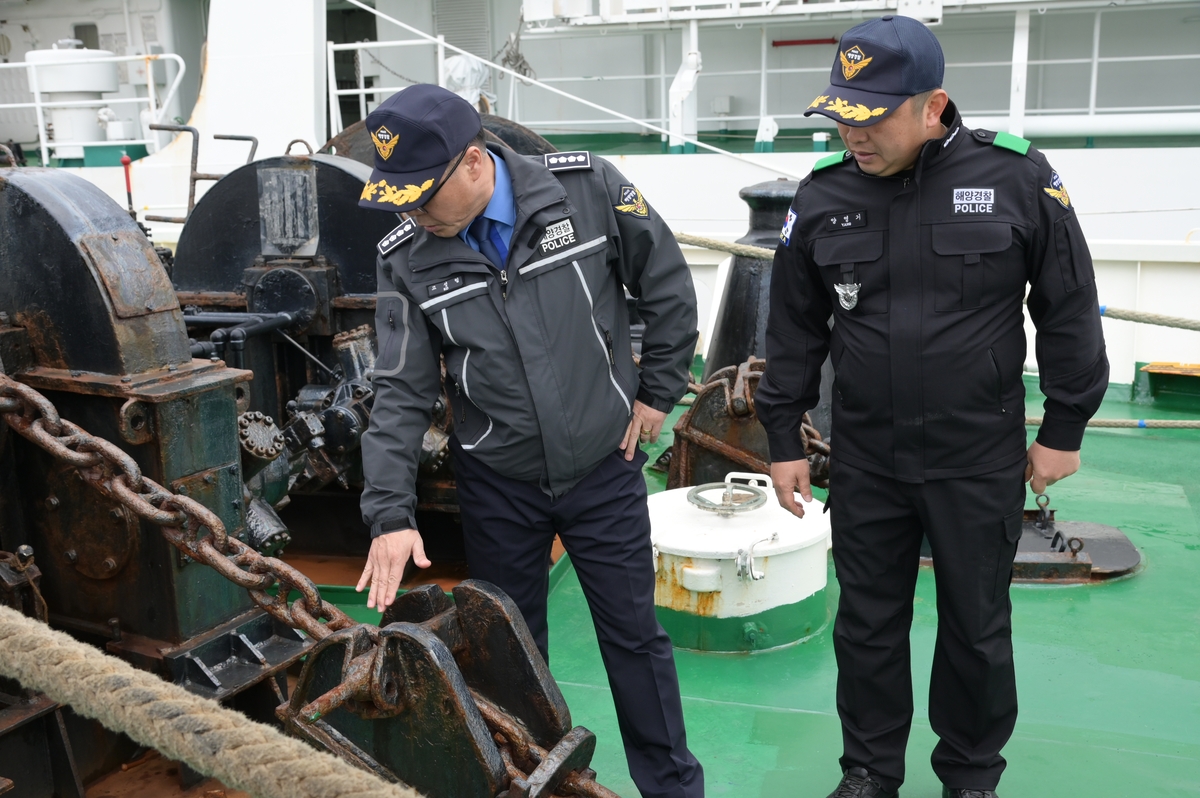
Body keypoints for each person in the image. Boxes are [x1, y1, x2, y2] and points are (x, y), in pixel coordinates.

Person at [755, 16, 1108, 798]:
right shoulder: (823, 198)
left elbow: (1069, 307)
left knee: (977, 630)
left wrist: (1064, 426)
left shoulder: (1017, 178)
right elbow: (793, 330)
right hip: (868, 457)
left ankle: (971, 776)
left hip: (975, 455)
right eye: (842, 115)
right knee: (867, 627)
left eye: (872, 116)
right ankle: (871, 772)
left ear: (932, 104)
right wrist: (783, 437)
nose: (854, 134)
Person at [354, 84, 704, 798]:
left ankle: (672, 788)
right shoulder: (406, 253)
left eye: (422, 195)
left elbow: (666, 285)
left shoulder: (587, 189)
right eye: (400, 199)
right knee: (509, 657)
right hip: (500, 486)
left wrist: (657, 393)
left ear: (476, 164)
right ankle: (533, 784)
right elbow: (399, 389)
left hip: (605, 471)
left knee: (635, 642)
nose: (411, 213)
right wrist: (389, 512)